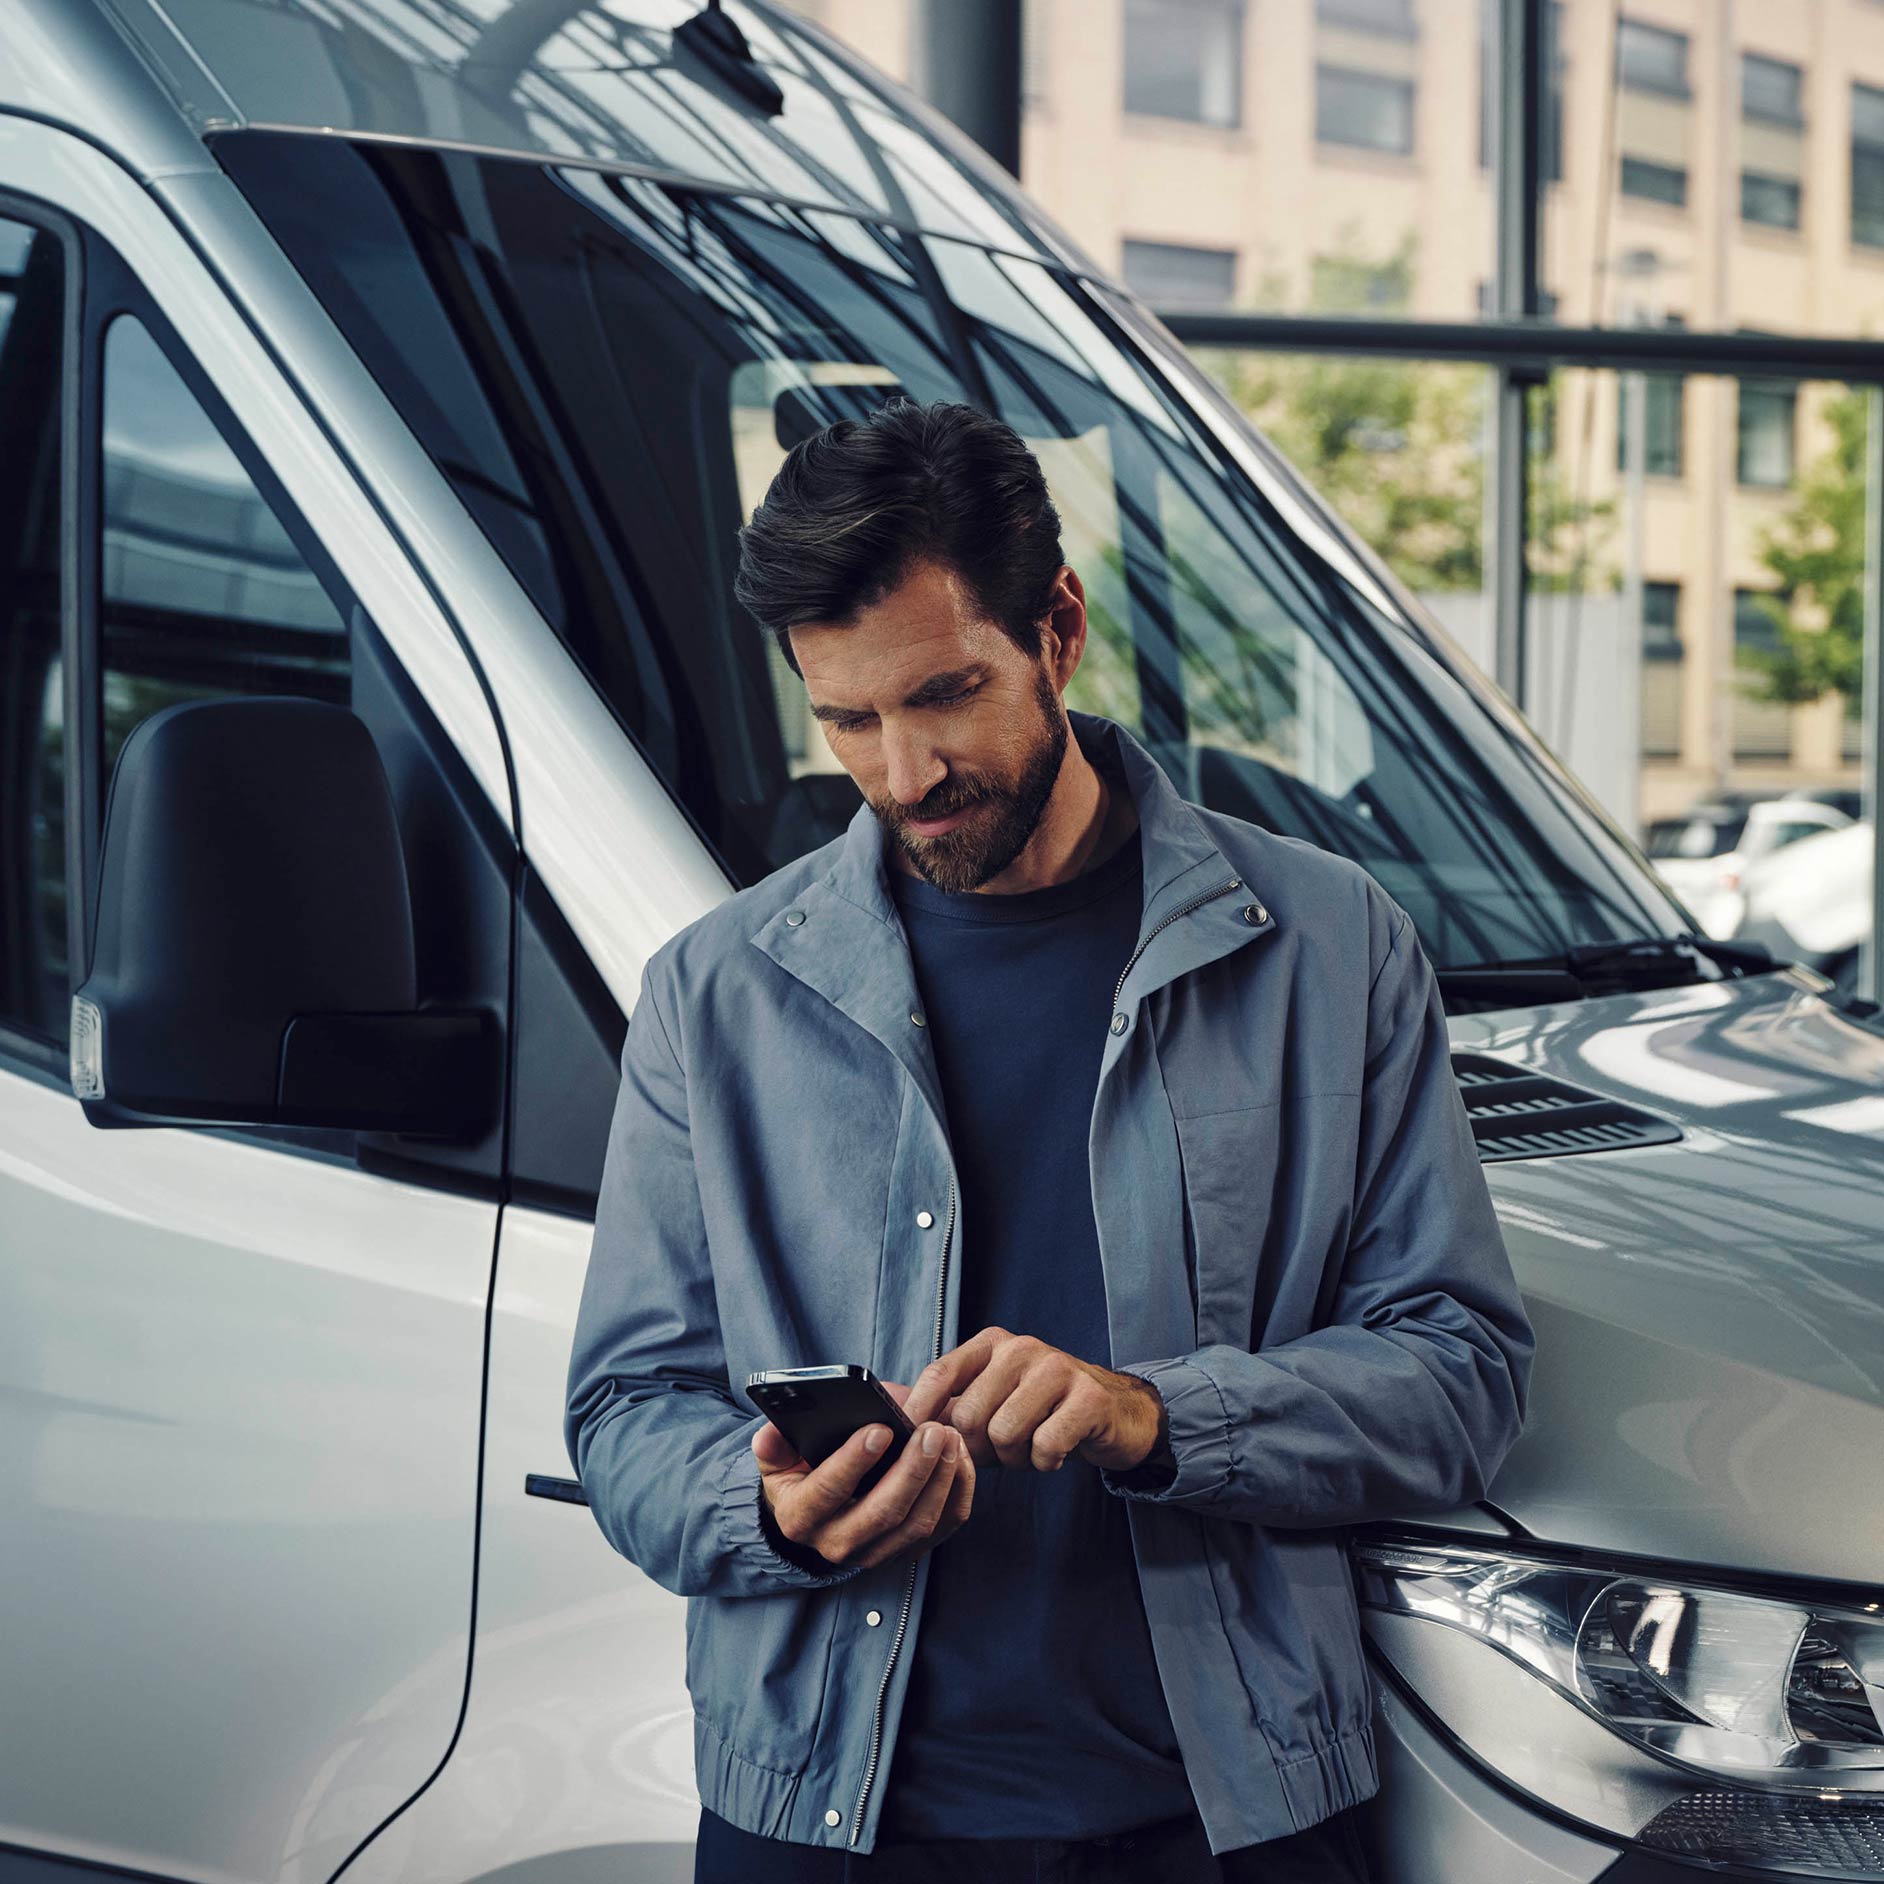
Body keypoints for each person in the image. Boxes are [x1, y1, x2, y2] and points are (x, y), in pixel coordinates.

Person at [564, 400, 1535, 1881]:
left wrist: (1153, 1416)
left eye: (944, 696)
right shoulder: (714, 997)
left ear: (1058, 628)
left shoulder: (1333, 950)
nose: (901, 775)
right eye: (846, 720)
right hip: (827, 1827)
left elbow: (1462, 1376)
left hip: (1234, 1824)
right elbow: (626, 1411)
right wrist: (766, 1506)